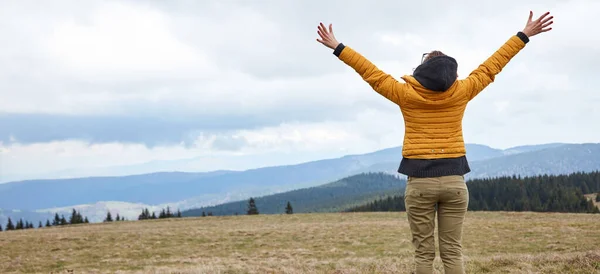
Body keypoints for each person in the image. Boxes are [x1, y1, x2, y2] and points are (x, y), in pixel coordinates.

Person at [316, 11, 553, 274]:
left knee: (424, 254)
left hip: (419, 182)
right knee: (452, 252)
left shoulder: (405, 93)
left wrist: (338, 47)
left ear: (422, 70)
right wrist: (523, 35)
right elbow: (492, 66)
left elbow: (371, 73)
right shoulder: (462, 91)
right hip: (454, 181)